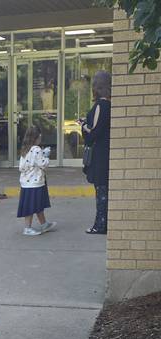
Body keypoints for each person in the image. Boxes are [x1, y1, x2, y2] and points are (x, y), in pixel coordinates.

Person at [82, 70, 112, 235]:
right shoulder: (109, 104)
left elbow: (94, 133)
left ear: (97, 86)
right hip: (106, 152)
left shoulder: (101, 105)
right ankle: (102, 223)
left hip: (100, 154)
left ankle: (100, 225)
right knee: (104, 191)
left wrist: (83, 126)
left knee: (101, 191)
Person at [17, 125, 56, 237]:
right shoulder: (37, 149)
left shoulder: (25, 149)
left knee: (37, 205)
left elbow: (22, 166)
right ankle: (27, 228)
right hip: (35, 183)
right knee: (33, 206)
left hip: (26, 183)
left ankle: (44, 224)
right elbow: (43, 164)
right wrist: (47, 156)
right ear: (37, 137)